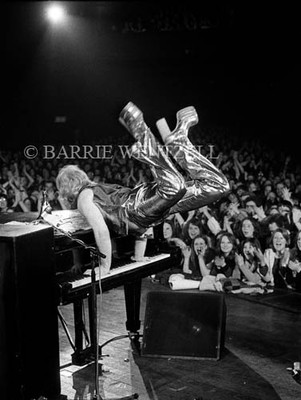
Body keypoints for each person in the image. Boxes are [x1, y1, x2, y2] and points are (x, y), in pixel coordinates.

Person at [56, 102, 229, 274]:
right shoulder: (97, 190)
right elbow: (143, 228)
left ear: (67, 187)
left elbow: (101, 232)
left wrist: (104, 267)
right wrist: (138, 256)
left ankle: (139, 128)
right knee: (218, 186)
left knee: (176, 186)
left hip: (137, 207)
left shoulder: (84, 198)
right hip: (151, 209)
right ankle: (178, 143)